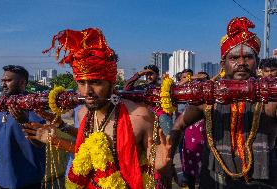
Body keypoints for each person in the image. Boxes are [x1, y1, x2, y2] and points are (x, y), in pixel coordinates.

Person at [24, 28, 171, 188]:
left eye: (96, 82)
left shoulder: (140, 117)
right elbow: (86, 152)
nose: (87, 91)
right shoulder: (83, 113)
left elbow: (153, 160)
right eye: (81, 83)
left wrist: (161, 166)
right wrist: (53, 135)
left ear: (112, 82)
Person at [170, 17, 277, 188]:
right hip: (214, 179)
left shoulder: (270, 98)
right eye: (234, 58)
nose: (241, 63)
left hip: (263, 179)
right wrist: (167, 158)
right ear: (223, 64)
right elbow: (179, 124)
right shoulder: (207, 96)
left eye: (248, 57)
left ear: (257, 61)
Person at [0, 65, 45, 189]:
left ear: (22, 83)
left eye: (8, 80)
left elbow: (40, 142)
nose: (4, 84)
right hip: (0, 179)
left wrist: (24, 121)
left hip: (26, 179)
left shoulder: (35, 106)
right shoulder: (0, 106)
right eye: (3, 81)